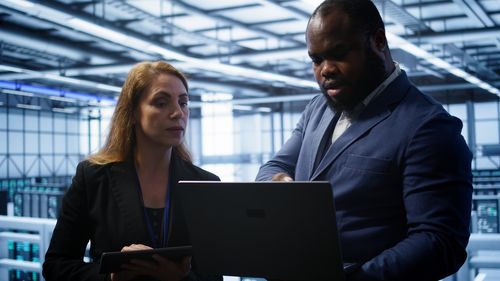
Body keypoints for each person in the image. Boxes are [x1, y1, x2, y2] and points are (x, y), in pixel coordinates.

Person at [256, 1, 473, 280]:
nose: (325, 70)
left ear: (378, 41)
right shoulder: (316, 109)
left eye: (338, 53)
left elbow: (439, 242)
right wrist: (280, 185)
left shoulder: (429, 127)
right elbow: (272, 168)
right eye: (316, 59)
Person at [43, 61, 221, 281]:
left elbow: (213, 276)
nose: (177, 113)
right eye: (161, 102)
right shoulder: (93, 178)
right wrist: (111, 277)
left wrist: (180, 279)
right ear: (133, 112)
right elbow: (56, 266)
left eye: (183, 102)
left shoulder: (206, 185)